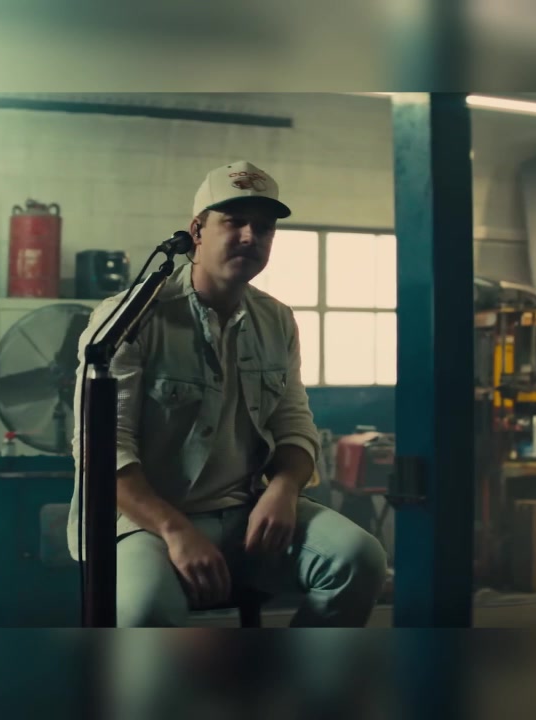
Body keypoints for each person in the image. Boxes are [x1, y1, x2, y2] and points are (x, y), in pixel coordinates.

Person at [68, 160, 388, 627]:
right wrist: (175, 530)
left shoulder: (276, 320)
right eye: (234, 221)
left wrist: (283, 490)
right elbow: (103, 450)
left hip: (246, 515)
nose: (249, 236)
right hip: (148, 525)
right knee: (143, 611)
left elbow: (294, 424)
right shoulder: (130, 318)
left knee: (361, 560)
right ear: (196, 231)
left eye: (264, 227)